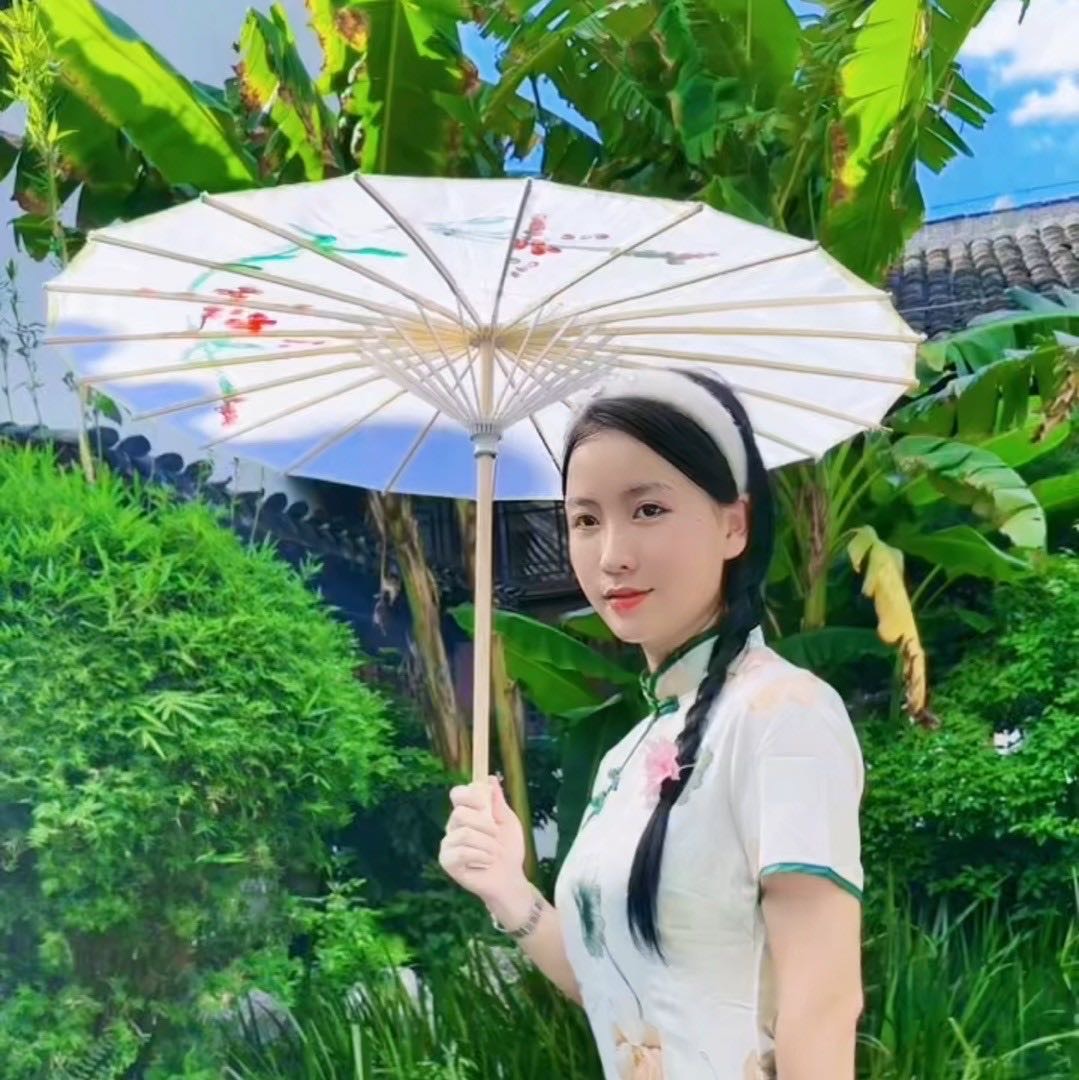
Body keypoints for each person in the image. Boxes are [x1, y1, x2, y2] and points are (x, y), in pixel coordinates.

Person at [440, 369, 865, 1079]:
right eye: (585, 520)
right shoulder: (626, 757)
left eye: (647, 509)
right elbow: (620, 998)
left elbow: (822, 1006)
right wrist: (508, 889)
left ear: (734, 524)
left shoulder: (783, 717)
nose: (612, 555)